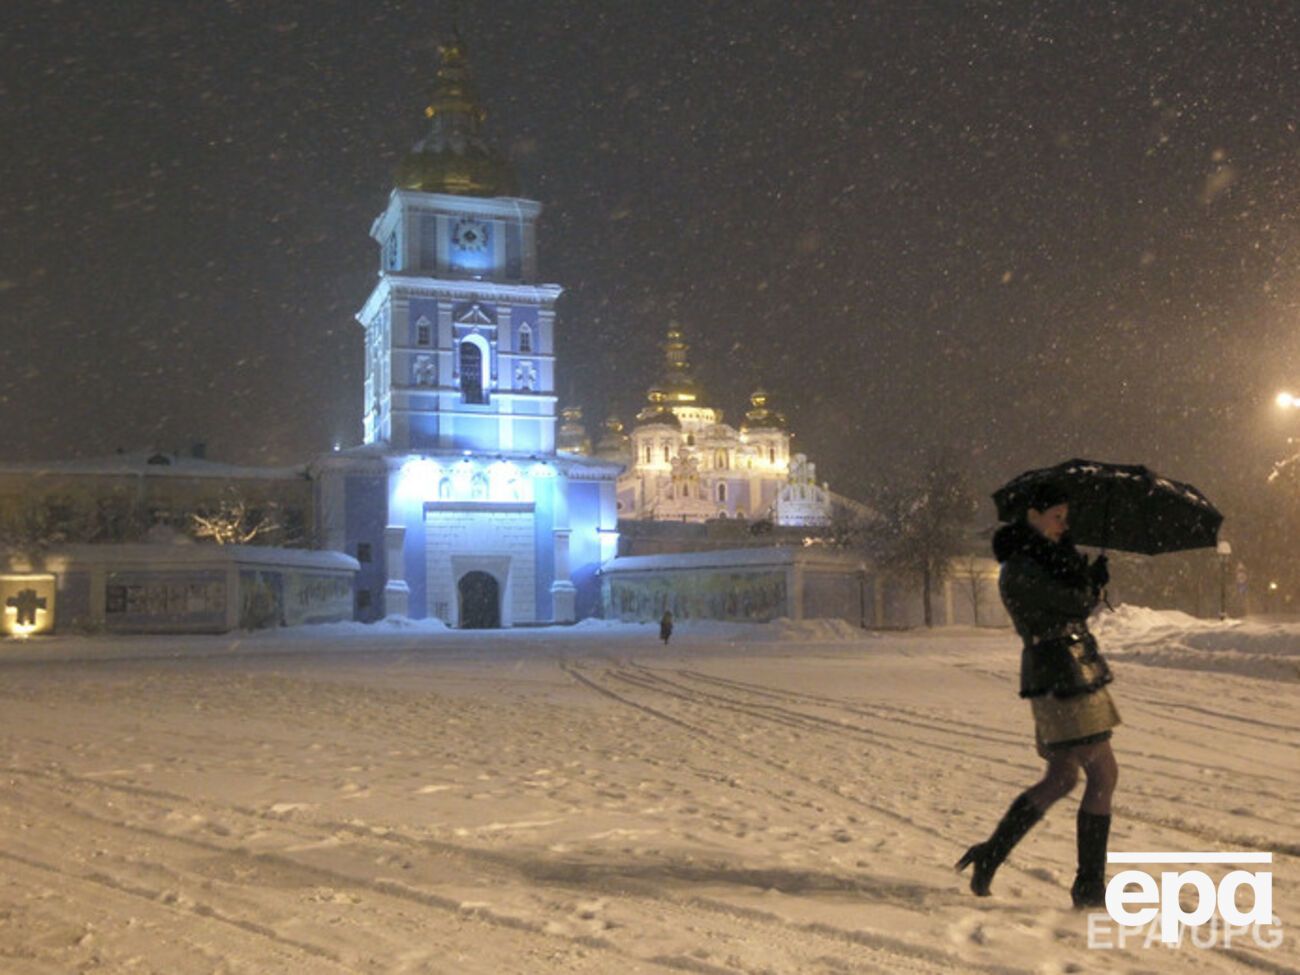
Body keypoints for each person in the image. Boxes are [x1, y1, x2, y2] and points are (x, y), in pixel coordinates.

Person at [956, 483, 1119, 908]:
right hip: (1058, 673)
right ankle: (1089, 888)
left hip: (1075, 668)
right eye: (1056, 516)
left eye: (1066, 517)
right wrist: (1090, 587)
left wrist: (1088, 578)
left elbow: (1073, 601)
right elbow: (1069, 604)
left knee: (1064, 777)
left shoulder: (1049, 559)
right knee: (1102, 774)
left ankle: (990, 854)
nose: (1063, 525)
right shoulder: (1022, 566)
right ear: (1033, 514)